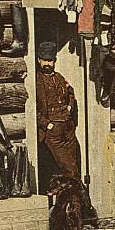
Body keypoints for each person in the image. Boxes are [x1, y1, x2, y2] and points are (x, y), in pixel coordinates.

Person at [35, 41, 80, 178]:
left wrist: (70, 107)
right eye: (45, 60)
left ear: (55, 61)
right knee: (70, 170)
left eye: (50, 60)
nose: (47, 64)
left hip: (68, 127)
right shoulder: (36, 80)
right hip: (53, 130)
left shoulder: (59, 77)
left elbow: (70, 92)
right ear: (38, 60)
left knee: (73, 163)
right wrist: (46, 124)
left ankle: (70, 197)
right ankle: (76, 197)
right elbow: (32, 106)